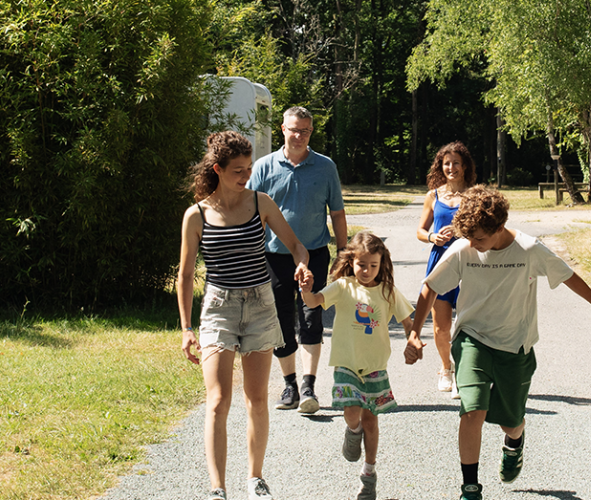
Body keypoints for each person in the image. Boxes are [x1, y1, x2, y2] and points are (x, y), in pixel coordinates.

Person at [405, 186, 591, 500]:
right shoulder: (464, 248)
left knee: (511, 423)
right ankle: (470, 488)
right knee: (472, 410)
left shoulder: (528, 249)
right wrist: (415, 331)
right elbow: (431, 287)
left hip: (515, 345)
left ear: (499, 227)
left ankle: (514, 442)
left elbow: (567, 275)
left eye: (479, 238)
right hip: (472, 339)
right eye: (469, 237)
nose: (473, 244)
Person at [176, 131, 313, 500]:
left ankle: (255, 479)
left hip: (259, 306)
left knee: (257, 398)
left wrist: (302, 265)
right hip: (218, 308)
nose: (246, 176)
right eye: (237, 170)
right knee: (218, 400)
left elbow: (296, 246)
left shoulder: (260, 202)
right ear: (217, 170)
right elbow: (185, 276)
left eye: (249, 168)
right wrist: (186, 328)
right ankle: (217, 488)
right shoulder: (196, 215)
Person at [298, 232, 419, 500]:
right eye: (361, 265)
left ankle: (369, 475)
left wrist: (413, 341)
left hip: (375, 366)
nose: (367, 270)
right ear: (351, 262)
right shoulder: (343, 286)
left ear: (381, 263)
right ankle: (353, 430)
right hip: (347, 363)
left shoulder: (388, 291)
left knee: (371, 421)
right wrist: (306, 290)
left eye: (373, 265)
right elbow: (314, 301)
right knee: (353, 412)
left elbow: (408, 322)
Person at [248, 106, 348, 415]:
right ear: (283, 129)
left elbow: (337, 213)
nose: (299, 136)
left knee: (311, 318)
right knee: (280, 321)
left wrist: (343, 253)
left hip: (315, 253)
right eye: (294, 129)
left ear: (311, 132)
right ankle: (289, 384)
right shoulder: (264, 167)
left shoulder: (325, 167)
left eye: (305, 130)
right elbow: (250, 214)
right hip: (273, 257)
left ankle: (308, 386)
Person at [415, 141, 477, 399]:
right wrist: (432, 237)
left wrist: (461, 231)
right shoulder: (433, 196)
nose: (451, 168)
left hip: (469, 262)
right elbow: (420, 231)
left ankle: (465, 372)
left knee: (468, 324)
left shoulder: (474, 196)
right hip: (440, 262)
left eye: (456, 163)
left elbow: (485, 229)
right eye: (446, 163)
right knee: (441, 327)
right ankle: (445, 368)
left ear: (465, 166)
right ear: (440, 167)